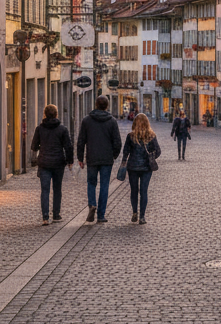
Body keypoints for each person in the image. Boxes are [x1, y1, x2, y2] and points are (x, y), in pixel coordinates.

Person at [77, 95, 122, 224]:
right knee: (104, 186)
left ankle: (92, 204)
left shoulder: (87, 120)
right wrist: (113, 155)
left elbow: (81, 141)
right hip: (106, 159)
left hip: (92, 157)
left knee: (91, 183)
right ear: (106, 106)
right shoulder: (112, 121)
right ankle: (101, 215)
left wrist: (80, 158)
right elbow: (117, 142)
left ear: (96, 105)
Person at [30, 104, 74, 226]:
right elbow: (68, 147)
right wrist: (70, 161)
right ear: (56, 114)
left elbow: (33, 146)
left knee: (45, 190)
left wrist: (38, 154)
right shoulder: (62, 129)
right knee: (57, 189)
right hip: (58, 163)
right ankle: (56, 215)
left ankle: (45, 217)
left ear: (44, 114)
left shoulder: (39, 129)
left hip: (44, 163)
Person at [122, 112, 161, 224]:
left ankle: (135, 212)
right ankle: (142, 217)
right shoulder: (151, 136)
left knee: (134, 191)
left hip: (133, 167)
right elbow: (158, 151)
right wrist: (151, 158)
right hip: (146, 168)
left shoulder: (130, 136)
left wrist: (124, 162)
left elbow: (125, 152)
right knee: (144, 191)